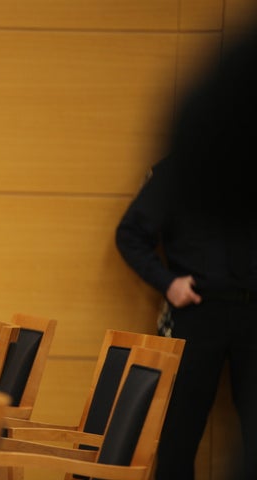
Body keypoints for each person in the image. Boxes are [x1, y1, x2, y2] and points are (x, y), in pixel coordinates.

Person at [115, 29, 257, 480]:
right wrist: (167, 281)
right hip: (196, 307)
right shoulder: (182, 167)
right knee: (179, 431)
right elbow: (131, 234)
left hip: (255, 313)